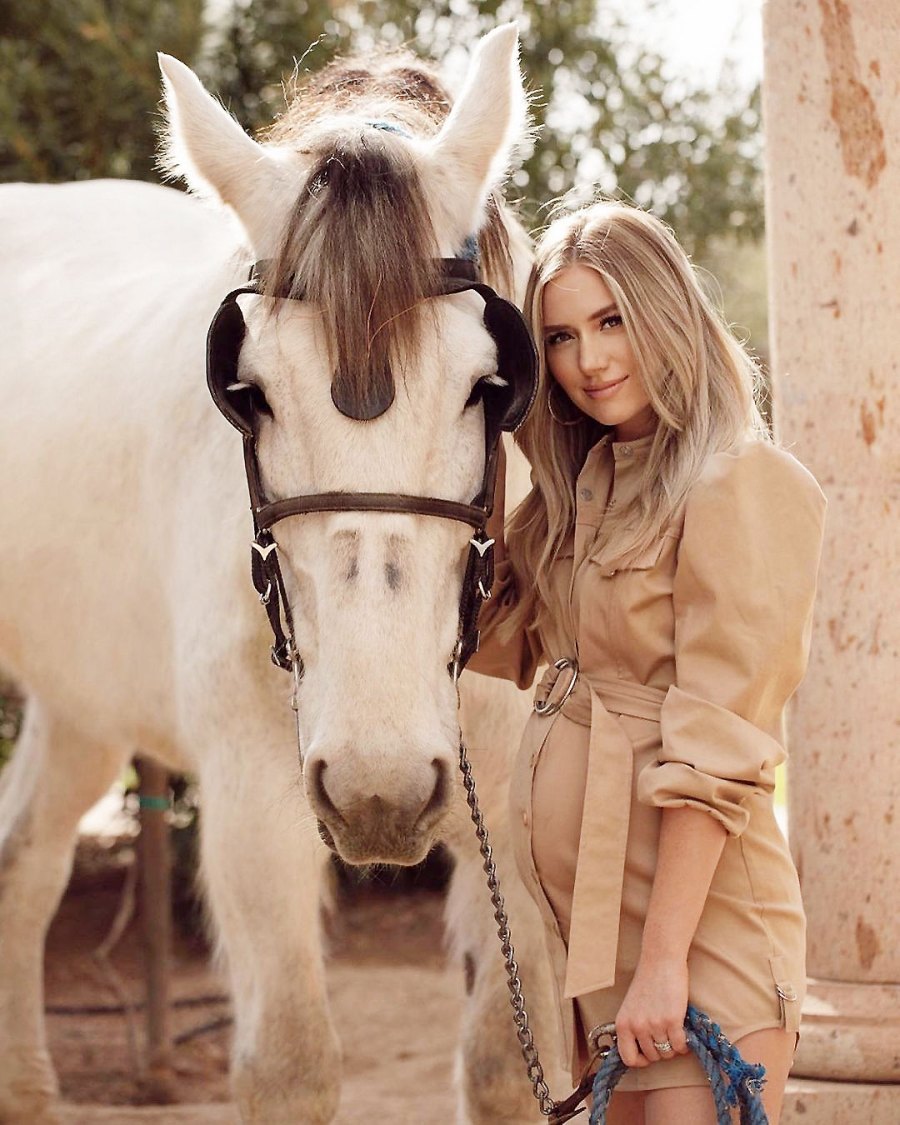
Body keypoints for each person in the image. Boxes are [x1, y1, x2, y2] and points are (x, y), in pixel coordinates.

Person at [468, 201, 826, 1124]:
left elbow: (719, 751)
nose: (590, 360)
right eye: (560, 336)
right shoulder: (586, 486)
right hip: (604, 944)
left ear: (665, 310)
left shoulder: (739, 480)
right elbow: (489, 637)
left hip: (702, 938)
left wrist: (664, 965)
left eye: (612, 320)